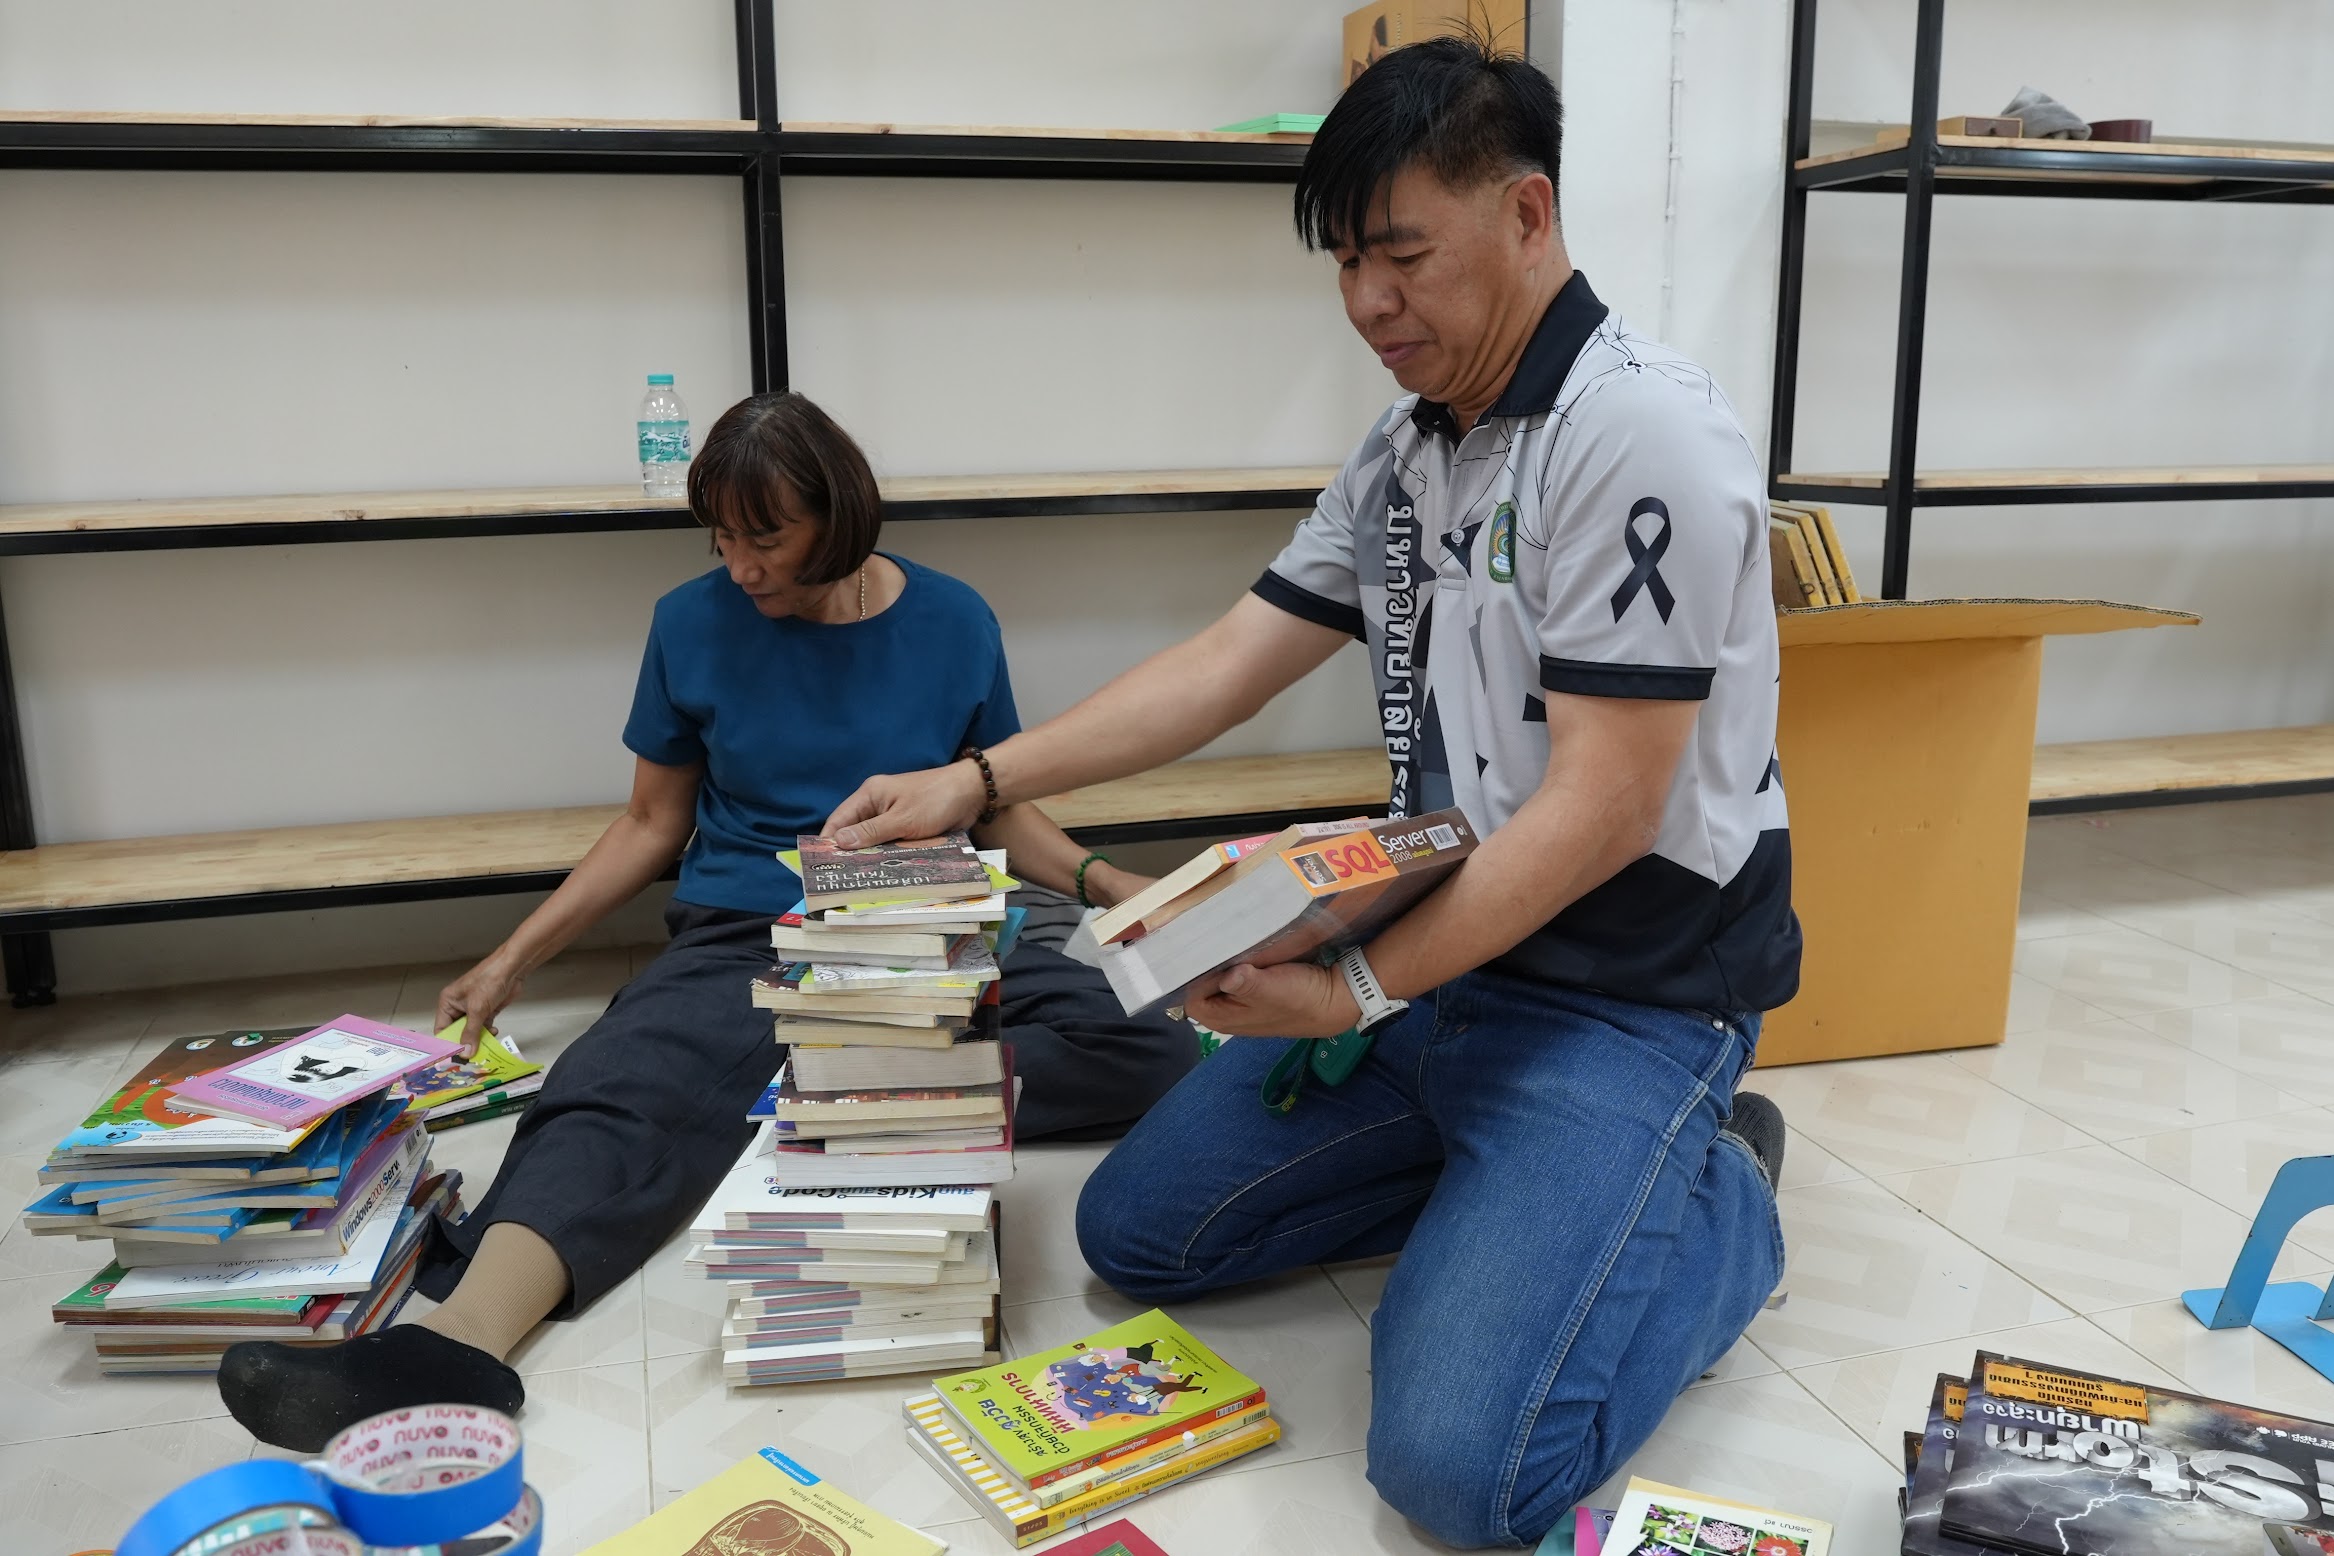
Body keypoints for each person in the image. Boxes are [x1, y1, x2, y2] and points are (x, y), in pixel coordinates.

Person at [819, 38, 1799, 1550]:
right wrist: (977, 776)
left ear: (1527, 214)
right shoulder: (1410, 447)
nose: (1367, 303)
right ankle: (1515, 1197)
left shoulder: (1638, 432)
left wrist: (1351, 991)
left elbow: (1605, 806)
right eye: (1345, 262)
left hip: (1624, 997)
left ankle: (1718, 1190)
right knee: (1137, 1235)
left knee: (1461, 1474)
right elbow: (1231, 659)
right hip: (1442, 963)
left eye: (1402, 255)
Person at [217, 391, 1198, 1453]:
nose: (740, 567)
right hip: (748, 929)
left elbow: (994, 798)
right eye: (721, 539)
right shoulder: (689, 621)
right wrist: (510, 959)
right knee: (611, 1085)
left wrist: (1103, 878)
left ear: (839, 516)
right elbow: (651, 823)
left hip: (925, 931)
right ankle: (454, 1344)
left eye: (765, 539)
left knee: (1147, 1042)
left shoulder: (957, 619)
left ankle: (820, 1093)